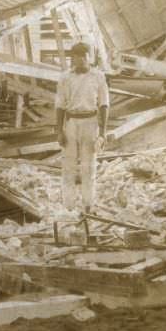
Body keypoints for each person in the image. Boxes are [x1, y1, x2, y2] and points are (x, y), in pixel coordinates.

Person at [55, 42, 109, 215]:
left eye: (83, 56)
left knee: (89, 167)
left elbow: (104, 104)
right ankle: (68, 207)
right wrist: (59, 130)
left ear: (89, 57)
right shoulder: (65, 77)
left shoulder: (98, 76)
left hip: (90, 123)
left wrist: (102, 132)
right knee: (68, 167)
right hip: (71, 123)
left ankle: (88, 206)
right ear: (73, 58)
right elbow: (60, 105)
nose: (79, 60)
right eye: (76, 56)